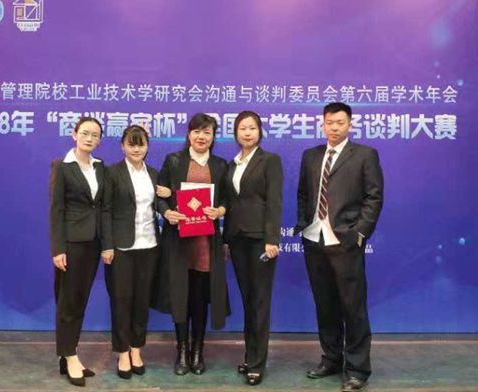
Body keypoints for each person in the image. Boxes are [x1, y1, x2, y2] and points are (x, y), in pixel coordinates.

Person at [294, 102, 384, 392]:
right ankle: (331, 359)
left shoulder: (365, 155)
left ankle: (357, 369)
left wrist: (360, 232)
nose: (334, 128)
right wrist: (304, 224)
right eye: (329, 122)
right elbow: (303, 194)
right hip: (314, 240)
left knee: (353, 307)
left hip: (346, 242)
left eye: (340, 123)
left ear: (350, 124)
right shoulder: (311, 155)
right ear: (322, 124)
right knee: (325, 305)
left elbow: (374, 197)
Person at [152, 113, 230, 376]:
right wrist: (166, 212)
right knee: (180, 297)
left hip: (206, 244)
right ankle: (182, 350)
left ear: (213, 137)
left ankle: (198, 351)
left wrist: (220, 210)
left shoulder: (220, 165)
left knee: (200, 299)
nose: (201, 137)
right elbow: (159, 195)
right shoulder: (173, 160)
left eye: (207, 132)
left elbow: (227, 199)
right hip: (178, 242)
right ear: (188, 134)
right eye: (196, 131)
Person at [101, 125, 171, 380]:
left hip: (150, 246)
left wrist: (168, 199)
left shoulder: (153, 173)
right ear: (122, 146)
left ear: (147, 147)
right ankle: (122, 353)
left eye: (141, 144)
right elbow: (106, 210)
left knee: (142, 301)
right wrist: (107, 245)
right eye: (131, 144)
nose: (136, 149)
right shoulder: (112, 173)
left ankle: (136, 350)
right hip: (121, 248)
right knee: (121, 301)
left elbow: (160, 202)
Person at [223, 111, 283, 386]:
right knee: (248, 301)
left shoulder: (270, 160)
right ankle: (250, 356)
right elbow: (229, 204)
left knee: (260, 301)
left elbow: (274, 201)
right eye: (242, 129)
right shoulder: (232, 165)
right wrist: (226, 240)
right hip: (237, 239)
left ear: (260, 131)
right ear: (236, 133)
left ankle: (258, 363)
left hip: (261, 240)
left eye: (252, 128)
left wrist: (272, 240)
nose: (247, 133)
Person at [49, 117, 105, 387]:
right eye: (85, 133)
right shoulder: (61, 166)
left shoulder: (99, 166)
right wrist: (58, 248)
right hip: (71, 244)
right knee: (68, 301)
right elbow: (56, 210)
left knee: (80, 300)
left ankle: (68, 354)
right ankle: (69, 356)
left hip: (93, 243)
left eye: (95, 135)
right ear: (74, 134)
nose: (89, 138)